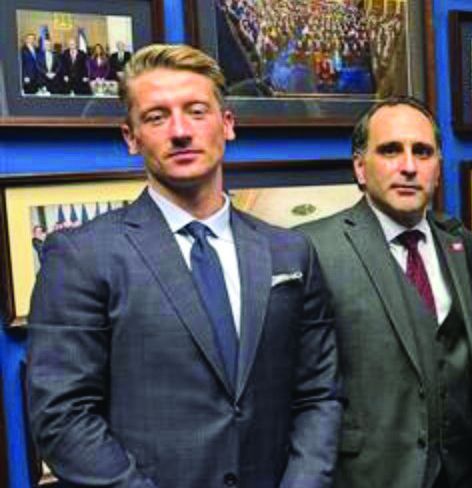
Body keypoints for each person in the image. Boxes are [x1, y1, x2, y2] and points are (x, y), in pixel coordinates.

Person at [27, 44, 340, 487]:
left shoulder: (290, 252)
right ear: (131, 137)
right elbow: (63, 418)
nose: (179, 131)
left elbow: (319, 395)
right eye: (157, 117)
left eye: (196, 111)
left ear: (226, 124)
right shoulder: (81, 257)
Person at [298, 97, 472, 488]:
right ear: (360, 167)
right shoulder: (314, 249)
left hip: (467, 473)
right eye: (390, 150)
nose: (409, 166)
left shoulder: (462, 244)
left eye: (423, 152)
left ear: (438, 168)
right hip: (372, 475)